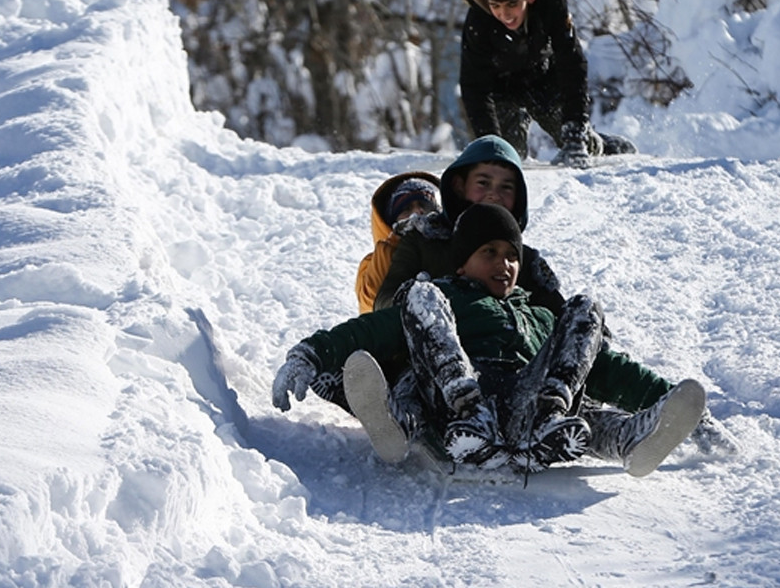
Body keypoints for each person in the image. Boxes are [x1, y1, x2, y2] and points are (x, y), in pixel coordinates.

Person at [273, 202, 713, 475]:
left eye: (511, 257)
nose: (504, 265)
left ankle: (634, 437)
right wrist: (310, 354)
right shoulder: (447, 294)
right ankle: (399, 423)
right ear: (462, 263)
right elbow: (374, 328)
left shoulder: (538, 314)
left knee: (584, 312)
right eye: (490, 254)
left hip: (535, 413)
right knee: (419, 298)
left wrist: (671, 401)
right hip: (457, 408)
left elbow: (601, 368)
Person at [458, 0, 636, 165]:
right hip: (500, 90)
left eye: (512, 4)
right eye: (495, 6)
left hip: (543, 81)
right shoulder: (478, 19)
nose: (504, 14)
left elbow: (571, 63)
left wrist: (575, 133)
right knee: (507, 157)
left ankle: (605, 145)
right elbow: (474, 85)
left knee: (582, 146)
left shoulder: (551, 3)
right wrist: (489, 144)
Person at [374, 134, 566, 316]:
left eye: (506, 187)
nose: (494, 195)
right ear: (459, 186)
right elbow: (383, 302)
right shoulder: (424, 243)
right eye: (483, 183)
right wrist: (421, 301)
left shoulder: (519, 259)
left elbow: (560, 317)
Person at [355, 172, 440, 314]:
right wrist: (393, 245)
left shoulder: (451, 246)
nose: (417, 213)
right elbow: (371, 302)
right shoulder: (375, 260)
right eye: (406, 209)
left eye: (424, 205)